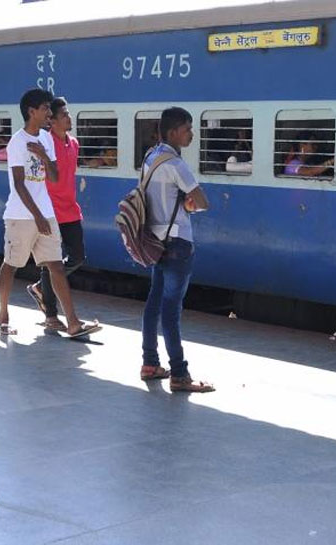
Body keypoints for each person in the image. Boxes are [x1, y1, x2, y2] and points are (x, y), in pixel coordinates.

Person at [0, 88, 100, 338]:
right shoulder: (17, 142)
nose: (48, 113)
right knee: (12, 264)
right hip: (21, 215)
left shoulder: (45, 139)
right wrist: (38, 217)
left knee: (56, 266)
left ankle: (73, 322)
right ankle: (3, 314)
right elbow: (20, 184)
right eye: (44, 109)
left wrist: (43, 155)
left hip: (46, 212)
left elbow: (53, 177)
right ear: (31, 112)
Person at [140, 107, 215, 393]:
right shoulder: (176, 164)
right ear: (172, 132)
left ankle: (150, 363)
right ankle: (180, 375)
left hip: (155, 241)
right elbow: (203, 201)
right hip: (178, 244)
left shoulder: (150, 158)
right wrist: (191, 203)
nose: (191, 134)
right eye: (187, 129)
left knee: (154, 303)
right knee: (171, 310)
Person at [26, 97, 86, 331]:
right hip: (49, 209)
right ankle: (51, 315)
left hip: (70, 209)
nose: (69, 118)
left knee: (78, 256)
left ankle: (41, 287)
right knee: (49, 262)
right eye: (64, 115)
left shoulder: (74, 143)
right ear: (51, 121)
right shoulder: (44, 142)